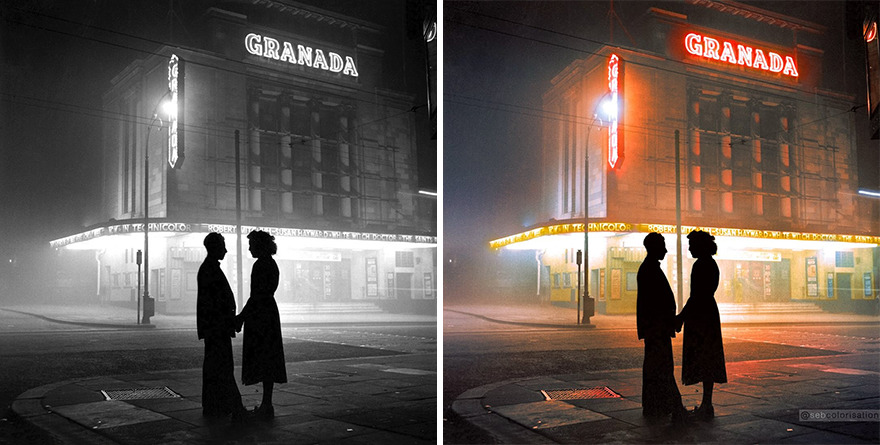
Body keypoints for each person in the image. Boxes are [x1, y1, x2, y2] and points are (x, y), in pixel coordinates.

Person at [675, 230, 727, 421]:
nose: (689, 249)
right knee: (708, 358)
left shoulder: (701, 265)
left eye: (691, 245)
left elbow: (696, 295)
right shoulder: (709, 264)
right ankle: (707, 403)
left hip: (701, 315)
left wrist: (681, 316)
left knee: (704, 357)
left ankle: (707, 404)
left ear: (700, 246)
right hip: (707, 313)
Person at [637, 232, 688, 424]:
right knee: (663, 368)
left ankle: (657, 405)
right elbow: (655, 304)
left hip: (655, 328)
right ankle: (674, 406)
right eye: (663, 246)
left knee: (655, 368)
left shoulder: (649, 268)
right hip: (657, 329)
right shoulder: (650, 269)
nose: (666, 250)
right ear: (654, 247)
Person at [235, 230, 287, 420]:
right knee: (268, 358)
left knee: (263, 357)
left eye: (251, 245)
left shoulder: (261, 265)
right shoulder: (270, 264)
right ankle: (267, 403)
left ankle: (267, 405)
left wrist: (241, 317)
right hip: (267, 313)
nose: (249, 248)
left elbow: (256, 295)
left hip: (261, 315)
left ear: (260, 245)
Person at [196, 232, 247, 421]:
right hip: (217, 328)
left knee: (214, 367)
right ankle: (235, 406)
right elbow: (216, 303)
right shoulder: (210, 269)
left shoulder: (209, 268)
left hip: (214, 327)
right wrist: (231, 321)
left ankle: (215, 405)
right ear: (215, 247)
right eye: (223, 246)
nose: (225, 250)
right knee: (223, 367)